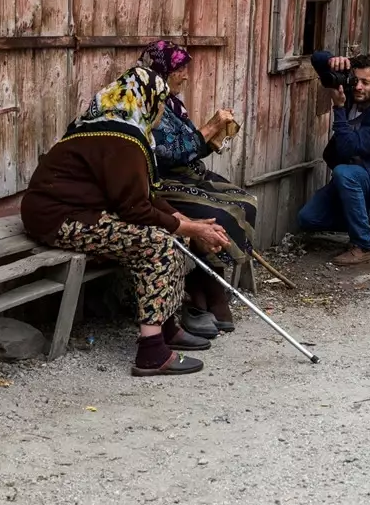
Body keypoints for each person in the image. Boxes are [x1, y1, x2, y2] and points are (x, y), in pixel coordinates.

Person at [20, 66, 230, 376]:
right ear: (149, 102)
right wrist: (192, 228)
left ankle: (167, 326)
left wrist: (186, 221)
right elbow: (135, 209)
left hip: (80, 212)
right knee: (157, 243)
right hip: (60, 218)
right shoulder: (123, 138)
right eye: (161, 104)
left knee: (169, 236)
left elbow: (141, 195)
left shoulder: (111, 127)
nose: (161, 113)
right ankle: (151, 352)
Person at [138, 40, 257, 336]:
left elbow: (190, 148)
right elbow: (172, 152)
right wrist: (211, 126)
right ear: (161, 71)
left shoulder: (172, 102)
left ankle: (202, 293)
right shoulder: (146, 103)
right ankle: (211, 293)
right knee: (219, 215)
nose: (186, 75)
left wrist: (211, 137)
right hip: (158, 183)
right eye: (180, 69)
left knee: (244, 202)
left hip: (186, 175)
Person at [298, 51, 370, 266]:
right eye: (356, 80)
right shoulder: (354, 90)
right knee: (308, 218)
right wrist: (330, 60)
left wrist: (338, 109)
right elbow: (318, 63)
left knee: (344, 173)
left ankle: (364, 246)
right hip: (352, 178)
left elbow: (348, 149)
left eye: (366, 82)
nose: (358, 87)